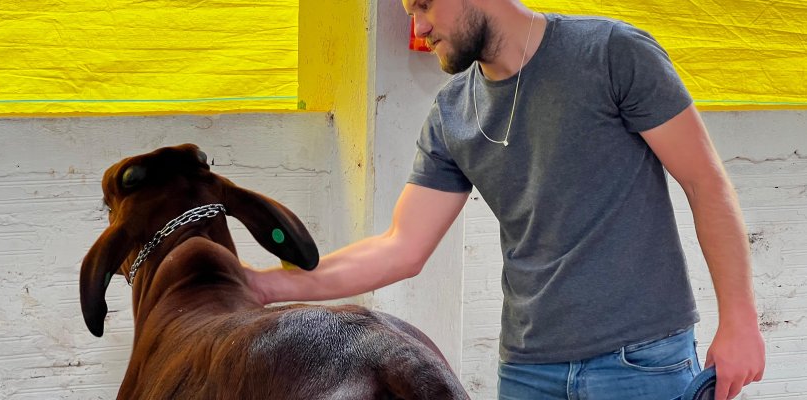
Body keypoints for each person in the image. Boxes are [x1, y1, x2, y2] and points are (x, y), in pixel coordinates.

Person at [246, 0, 766, 399]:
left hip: (640, 363)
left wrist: (740, 321)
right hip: (527, 371)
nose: (418, 27)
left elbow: (706, 183)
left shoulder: (610, 52)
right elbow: (401, 247)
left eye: (424, 4)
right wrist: (267, 287)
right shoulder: (452, 113)